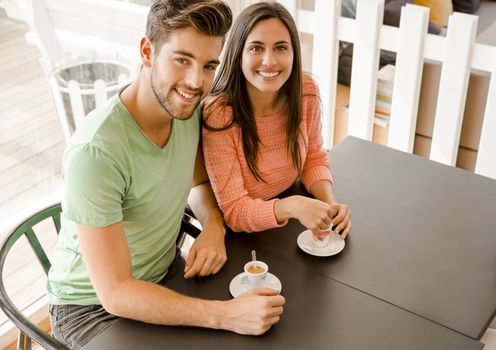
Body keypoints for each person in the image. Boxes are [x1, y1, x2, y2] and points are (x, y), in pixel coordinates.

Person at [47, 1, 285, 348]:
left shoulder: (187, 110)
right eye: (182, 60)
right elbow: (116, 293)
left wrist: (213, 227)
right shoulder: (95, 153)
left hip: (165, 272)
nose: (195, 82)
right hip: (90, 308)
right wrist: (224, 315)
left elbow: (199, 182)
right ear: (147, 51)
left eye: (208, 66)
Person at [202, 2, 352, 241]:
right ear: (238, 53)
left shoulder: (306, 92)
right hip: (247, 238)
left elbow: (313, 157)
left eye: (281, 48)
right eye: (256, 48)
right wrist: (292, 207)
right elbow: (235, 211)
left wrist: (330, 205)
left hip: (292, 225)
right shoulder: (220, 114)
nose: (269, 61)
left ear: (294, 54)